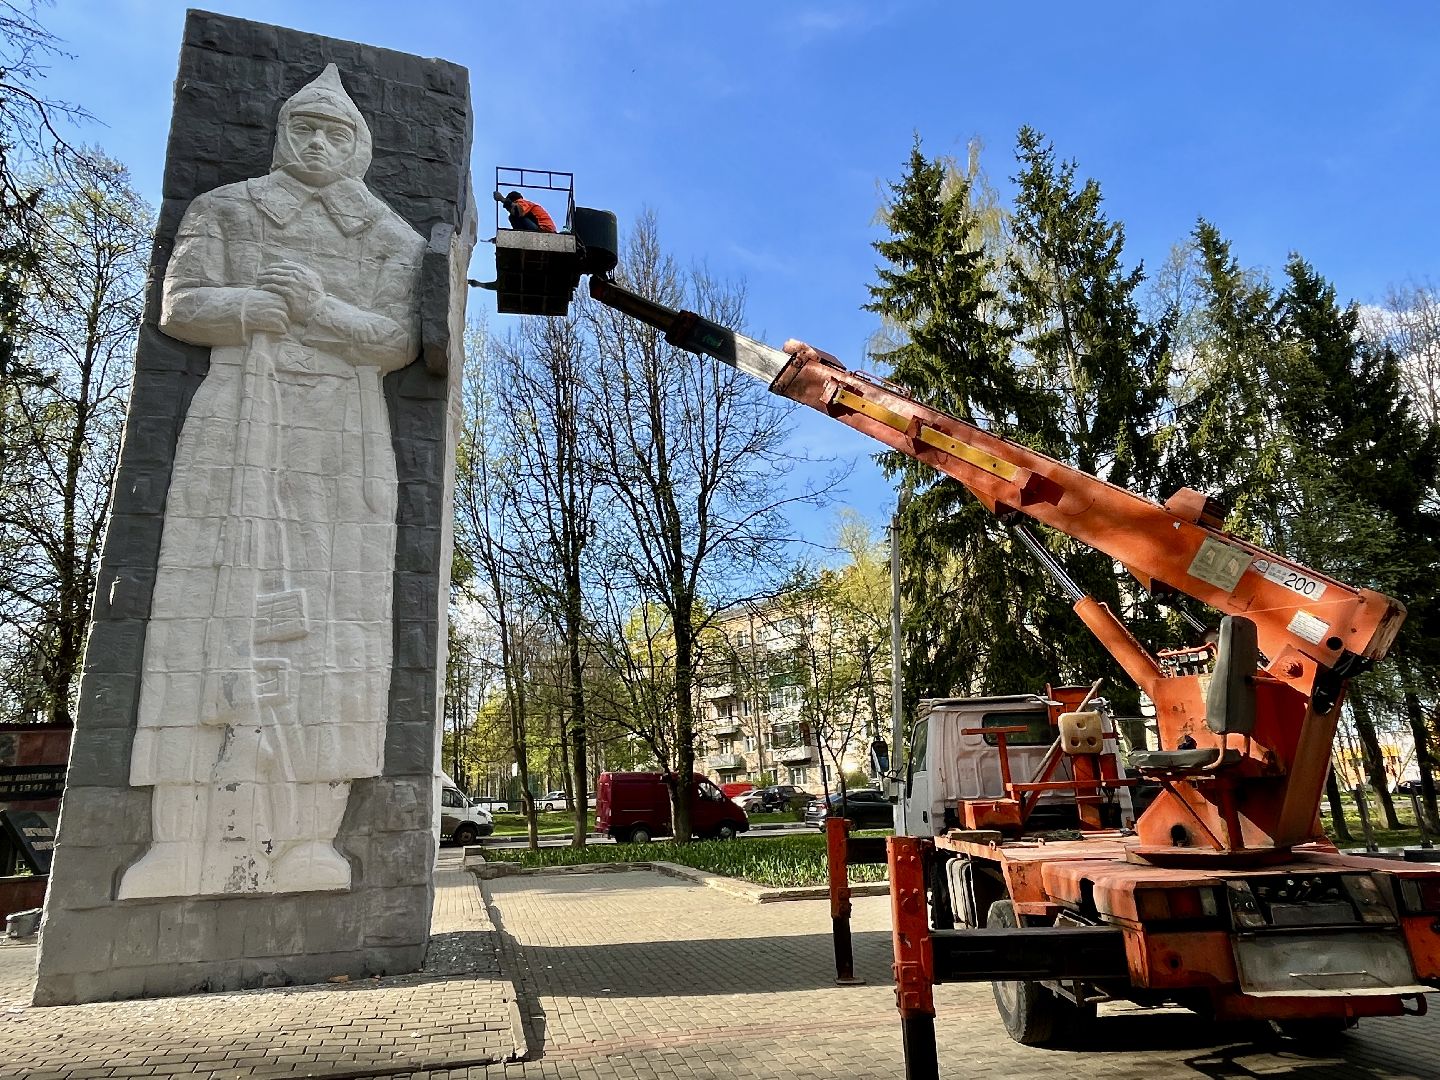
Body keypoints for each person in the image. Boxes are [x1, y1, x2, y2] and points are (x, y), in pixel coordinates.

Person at [118, 64, 425, 899]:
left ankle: (305, 841)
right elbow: (181, 305)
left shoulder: (387, 236)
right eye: (306, 128)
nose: (320, 144)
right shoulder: (225, 209)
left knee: (335, 632)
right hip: (237, 427)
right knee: (200, 616)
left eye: (337, 132)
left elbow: (399, 339)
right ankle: (179, 840)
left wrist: (322, 311)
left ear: (359, 145)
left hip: (340, 443)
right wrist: (251, 306)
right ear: (283, 132)